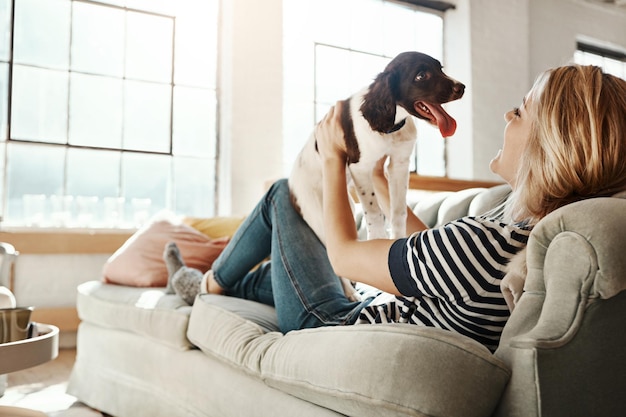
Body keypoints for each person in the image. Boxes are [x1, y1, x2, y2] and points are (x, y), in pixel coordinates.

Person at [164, 65, 626, 352]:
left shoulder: (485, 247)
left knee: (281, 195)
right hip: (362, 305)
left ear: (552, 146)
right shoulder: (518, 228)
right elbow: (433, 255)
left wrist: (333, 156)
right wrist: (381, 180)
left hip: (328, 322)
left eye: (520, 112)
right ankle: (206, 282)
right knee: (272, 275)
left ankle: (207, 281)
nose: (508, 116)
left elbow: (344, 256)